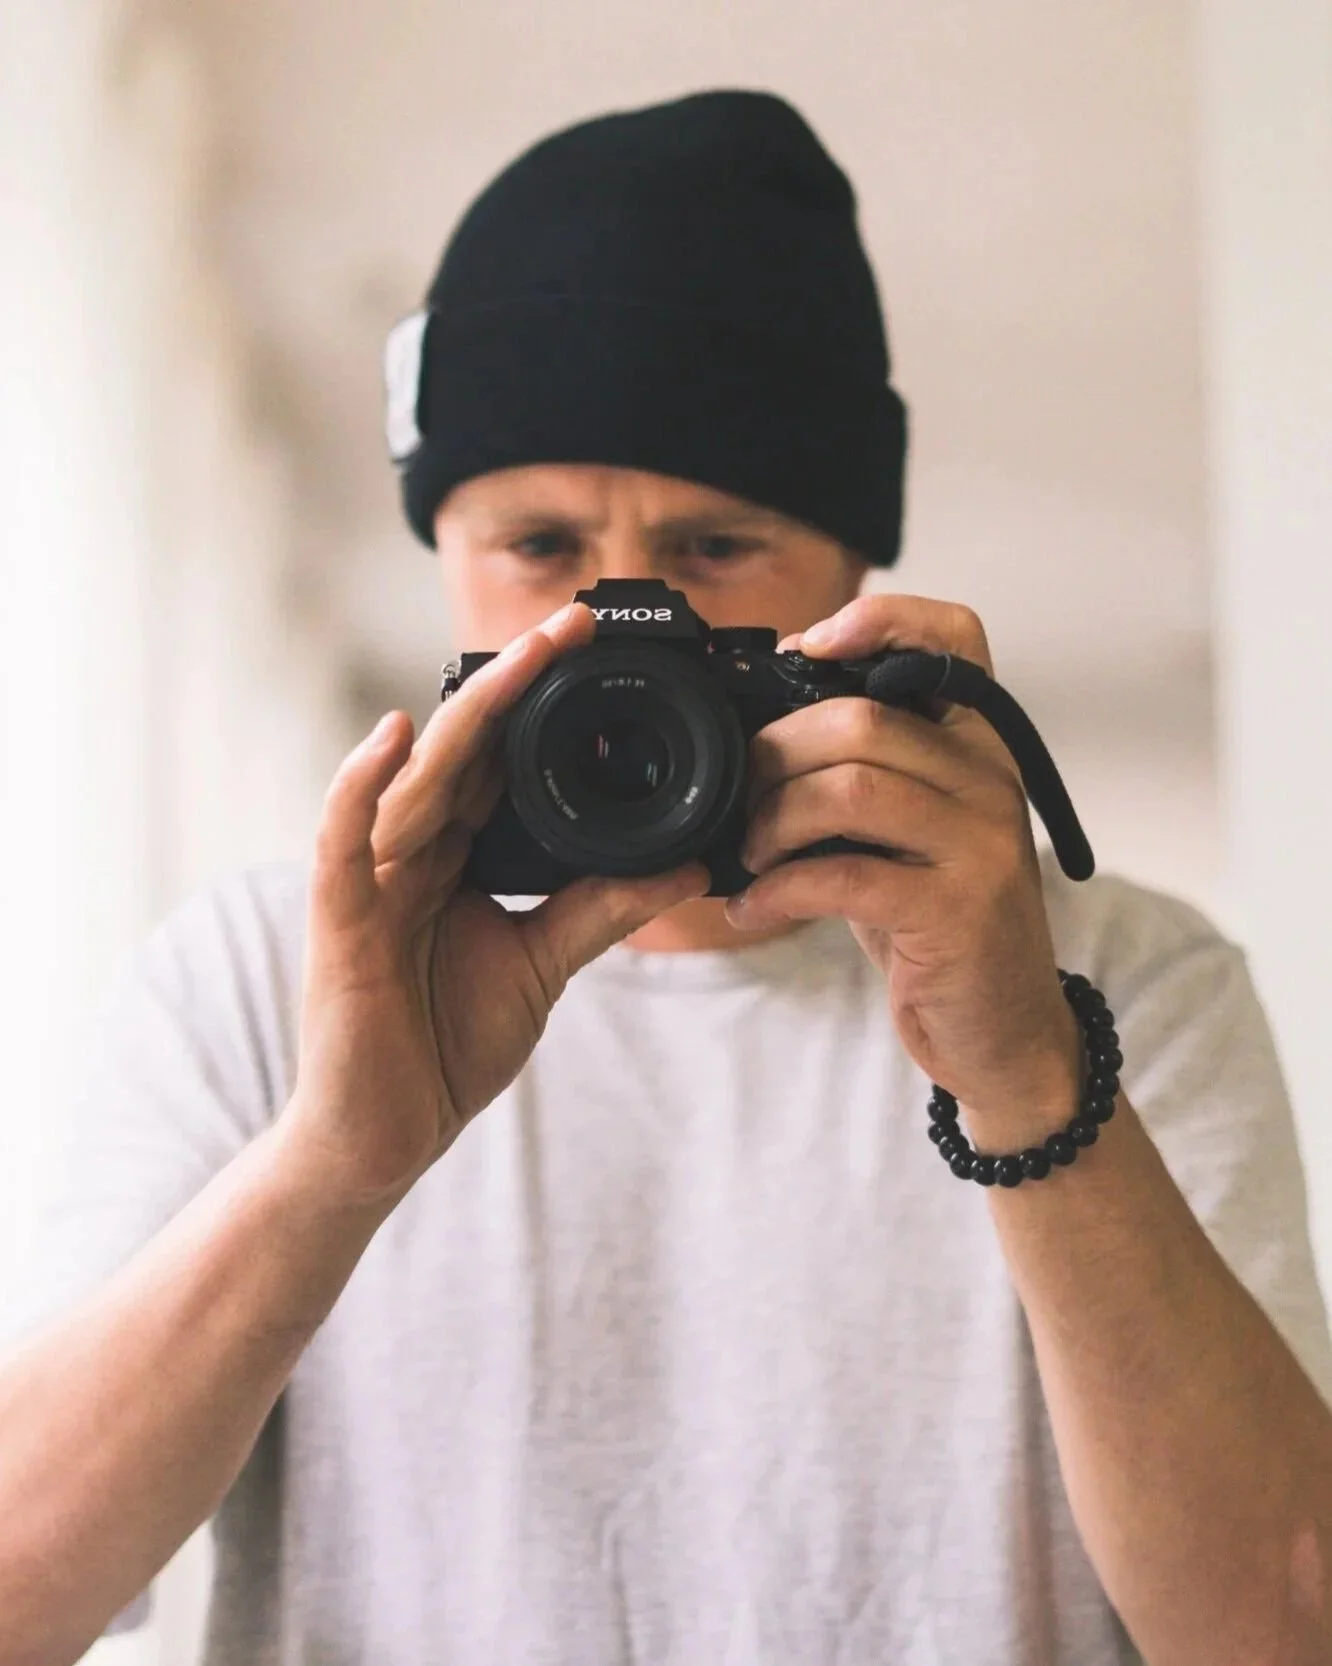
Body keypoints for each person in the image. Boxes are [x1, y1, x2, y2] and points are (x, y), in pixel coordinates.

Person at [1, 89, 1330, 1666]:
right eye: (539, 544)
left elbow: (1285, 1629)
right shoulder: (257, 974)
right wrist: (335, 1161)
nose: (614, 627)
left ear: (851, 592)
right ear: (442, 554)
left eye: (711, 553)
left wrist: (1031, 1073)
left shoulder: (1121, 982)